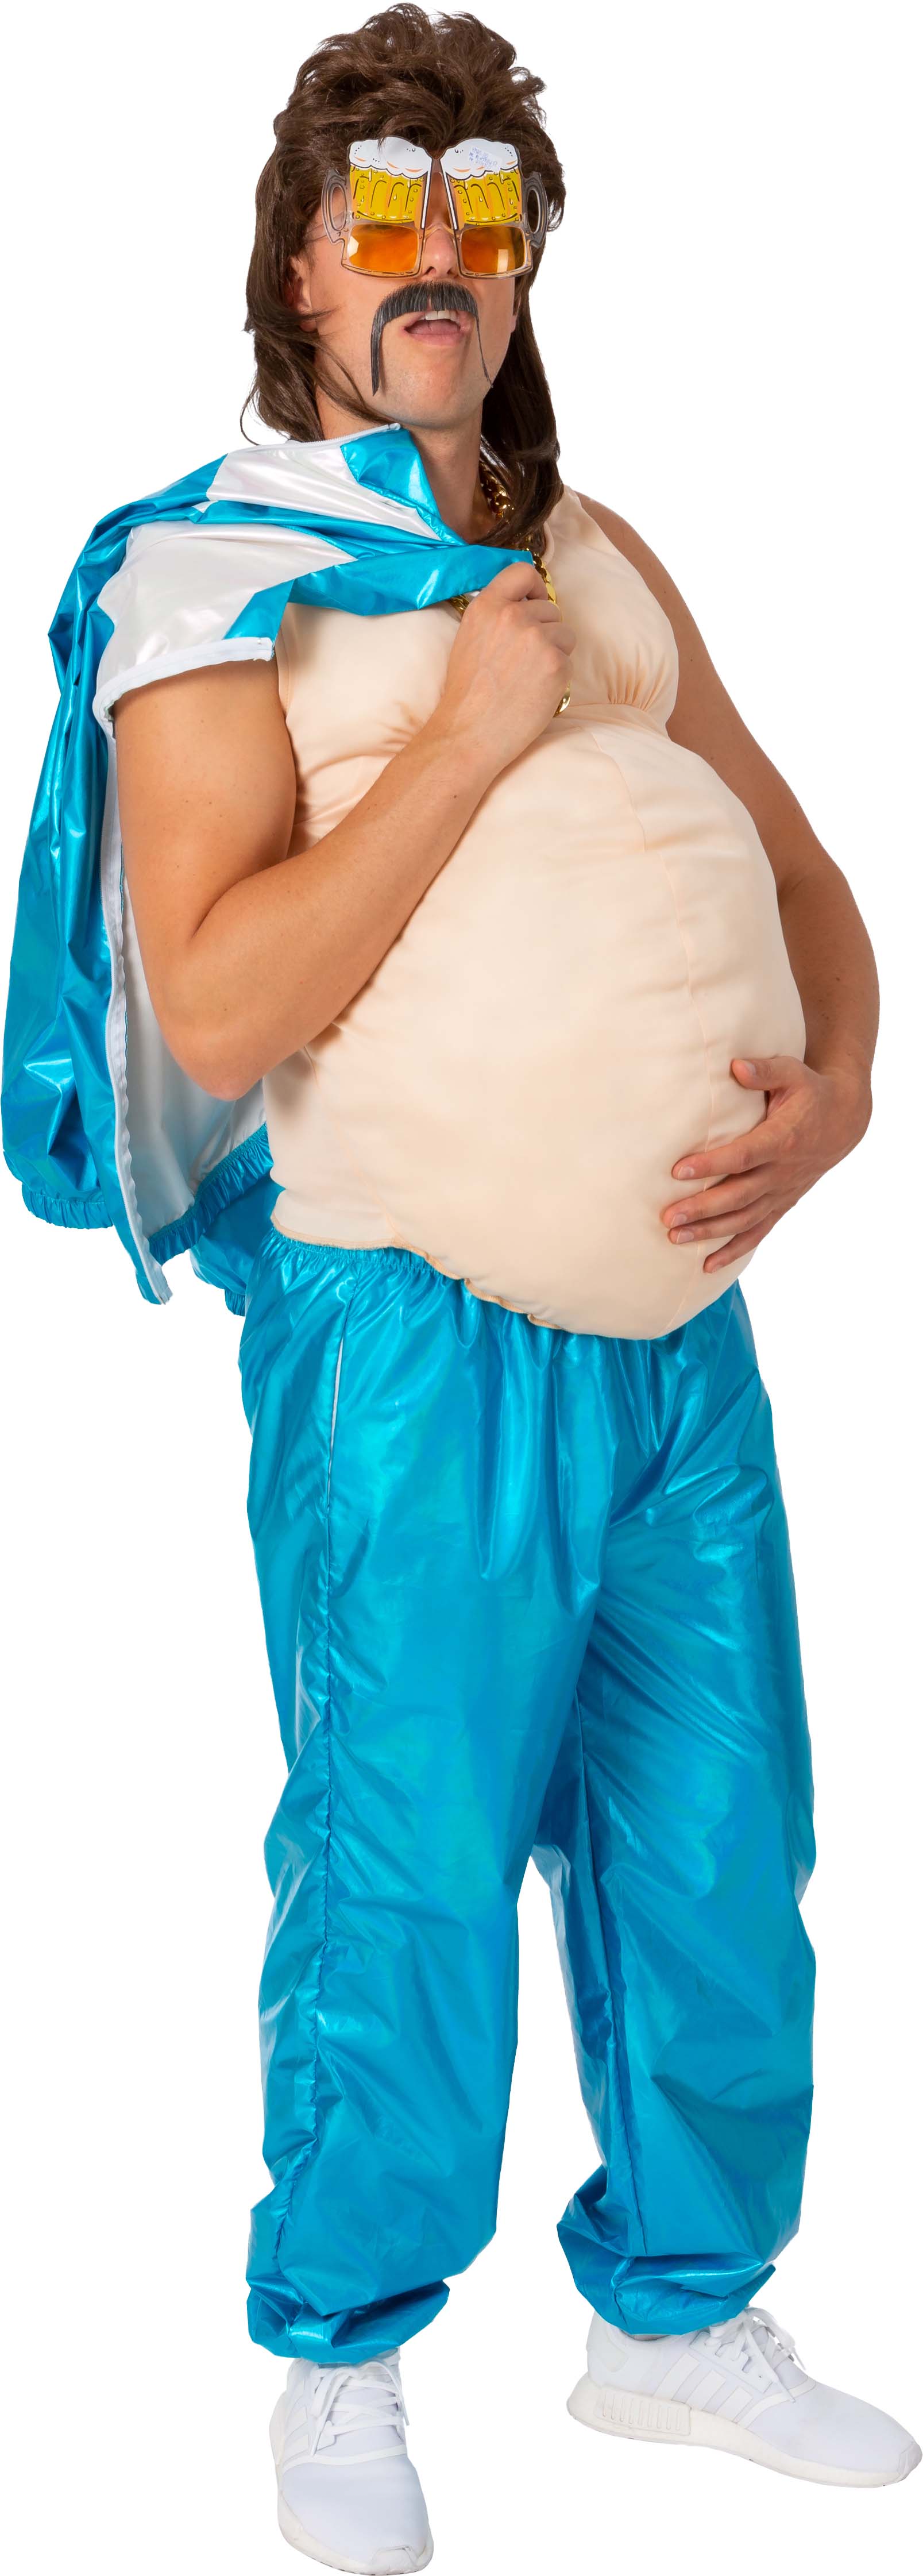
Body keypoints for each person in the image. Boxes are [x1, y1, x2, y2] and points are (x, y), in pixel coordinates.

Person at [3, 8, 918, 2567]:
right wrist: (471, 731)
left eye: (481, 216)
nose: (438, 260)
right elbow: (217, 1002)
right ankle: (342, 2347)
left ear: (519, 265)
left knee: (721, 1839)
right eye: (383, 215)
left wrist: (843, 1088)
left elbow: (807, 873)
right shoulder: (215, 579)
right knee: (406, 1849)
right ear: (301, 269)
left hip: (681, 1337)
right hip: (407, 1329)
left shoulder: (592, 551)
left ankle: (678, 2317)